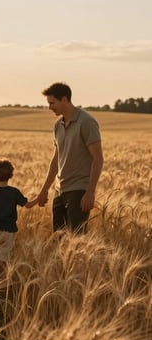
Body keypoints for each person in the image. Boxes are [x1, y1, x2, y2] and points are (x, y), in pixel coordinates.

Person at [37, 82, 103, 233]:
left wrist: (90, 191)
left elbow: (98, 158)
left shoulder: (86, 122)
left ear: (64, 99)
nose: (49, 107)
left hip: (79, 191)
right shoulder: (57, 125)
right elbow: (56, 160)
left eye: (52, 103)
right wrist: (44, 190)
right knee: (59, 240)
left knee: (77, 239)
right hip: (60, 191)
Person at [0, 159, 38, 279]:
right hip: (9, 231)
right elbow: (28, 205)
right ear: (11, 175)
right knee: (5, 260)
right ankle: (7, 282)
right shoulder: (14, 192)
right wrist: (38, 198)